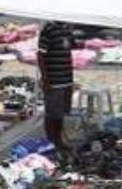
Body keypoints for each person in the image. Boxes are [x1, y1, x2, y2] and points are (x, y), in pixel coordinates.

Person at [38, 19, 75, 149]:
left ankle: (58, 139)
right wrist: (45, 78)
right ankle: (51, 141)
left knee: (62, 112)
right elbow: (40, 54)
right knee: (52, 113)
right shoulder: (49, 29)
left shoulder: (67, 28)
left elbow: (70, 48)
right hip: (54, 80)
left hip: (66, 78)